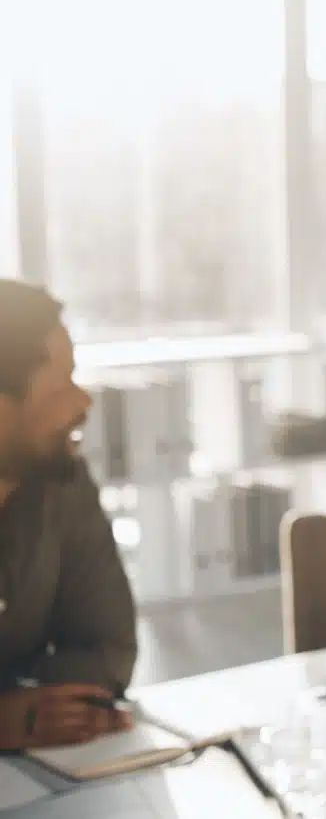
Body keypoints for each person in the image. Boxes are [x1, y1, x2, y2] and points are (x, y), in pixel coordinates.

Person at [0, 280, 137, 749]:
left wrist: (29, 701)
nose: (84, 402)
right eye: (61, 386)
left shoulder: (63, 482)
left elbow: (110, 651)